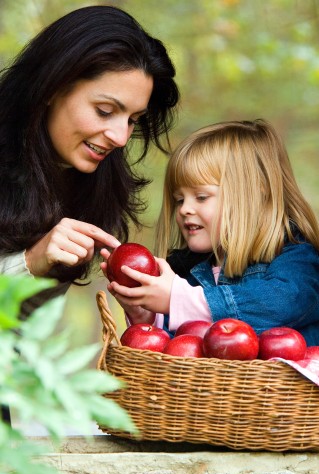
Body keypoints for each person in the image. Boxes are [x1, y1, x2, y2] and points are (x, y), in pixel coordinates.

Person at [0, 5, 179, 319]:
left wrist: (148, 320)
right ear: (52, 87)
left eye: (133, 120)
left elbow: (18, 328)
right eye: (105, 111)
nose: (121, 138)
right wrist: (28, 263)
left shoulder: (85, 182)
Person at [101, 119, 319, 346]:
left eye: (201, 197)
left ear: (254, 194)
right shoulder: (184, 270)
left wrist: (180, 299)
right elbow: (183, 351)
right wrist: (146, 316)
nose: (185, 209)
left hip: (272, 382)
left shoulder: (295, 255)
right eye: (179, 200)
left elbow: (282, 303)